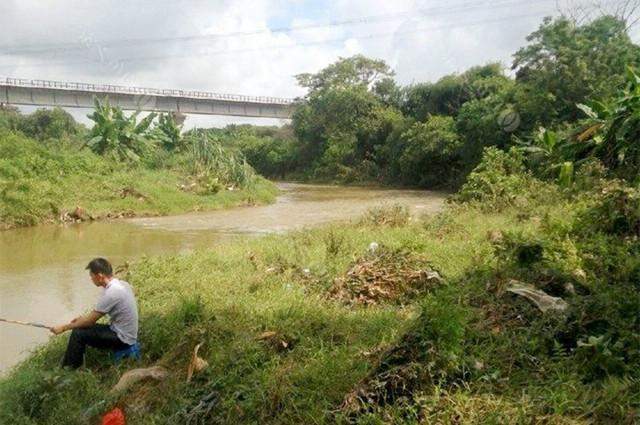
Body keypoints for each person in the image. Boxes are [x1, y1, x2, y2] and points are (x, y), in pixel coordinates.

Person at [51, 258, 139, 369]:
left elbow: (89, 322)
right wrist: (82, 320)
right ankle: (73, 365)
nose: (91, 279)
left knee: (78, 334)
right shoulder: (122, 284)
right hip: (127, 333)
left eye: (91, 276)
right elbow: (91, 318)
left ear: (100, 276)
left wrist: (63, 328)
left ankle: (68, 369)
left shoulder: (112, 293)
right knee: (82, 327)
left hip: (123, 339)